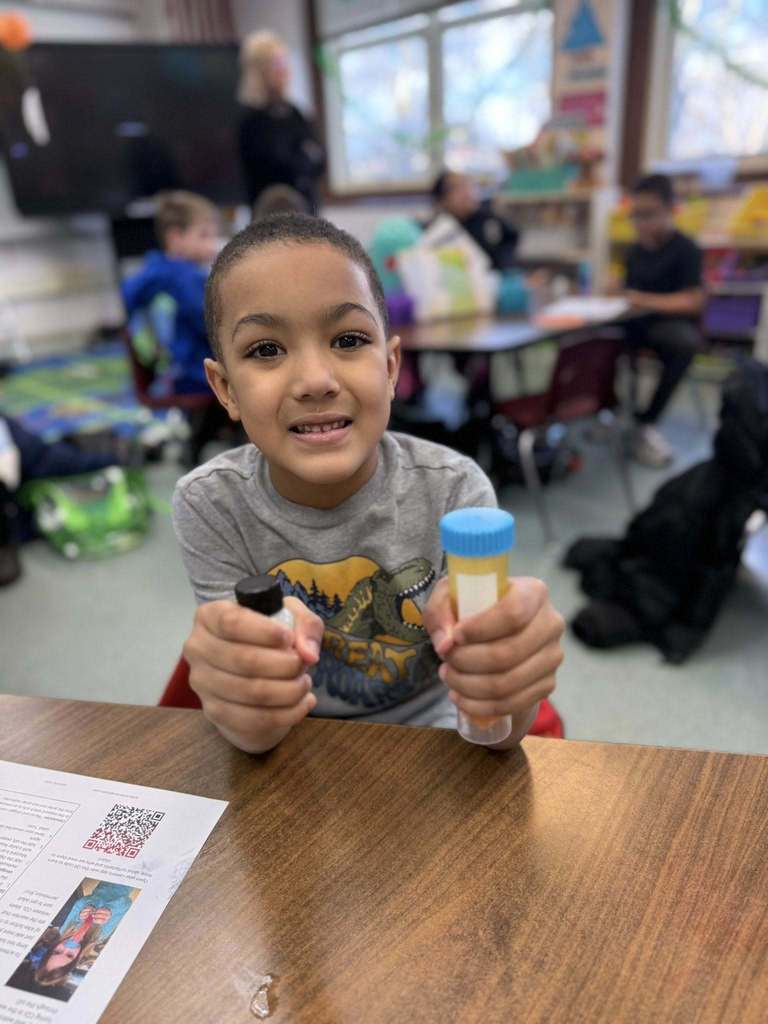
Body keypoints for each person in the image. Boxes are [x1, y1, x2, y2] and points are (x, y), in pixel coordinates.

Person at [173, 213, 564, 755]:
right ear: (225, 389)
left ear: (390, 366)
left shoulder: (456, 493)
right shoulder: (209, 503)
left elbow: (496, 722)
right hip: (301, 746)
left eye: (349, 339)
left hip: (439, 739)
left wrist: (506, 678)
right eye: (266, 349)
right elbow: (250, 721)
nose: (315, 381)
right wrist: (242, 699)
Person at [622, 174, 705, 467]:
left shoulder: (686, 249)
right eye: (636, 215)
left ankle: (647, 421)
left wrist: (643, 300)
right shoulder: (634, 251)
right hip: (635, 324)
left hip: (668, 325)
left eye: (649, 214)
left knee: (684, 344)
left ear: (671, 208)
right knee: (597, 338)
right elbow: (625, 293)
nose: (641, 222)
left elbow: (693, 301)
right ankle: (606, 409)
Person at [122, 190, 219, 395]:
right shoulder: (183, 276)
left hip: (170, 374)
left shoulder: (152, 271)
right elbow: (210, 326)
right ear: (175, 238)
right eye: (204, 235)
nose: (212, 245)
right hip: (194, 375)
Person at [237, 32, 325, 215]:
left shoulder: (295, 113)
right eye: (278, 63)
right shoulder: (250, 122)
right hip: (271, 219)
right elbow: (278, 168)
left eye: (286, 62)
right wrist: (301, 157)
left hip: (307, 212)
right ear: (260, 70)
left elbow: (319, 159)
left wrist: (299, 160)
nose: (285, 70)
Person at [431, 169, 519, 271]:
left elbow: (507, 256)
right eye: (456, 188)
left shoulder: (489, 220)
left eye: (467, 184)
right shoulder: (438, 232)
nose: (466, 192)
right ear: (442, 200)